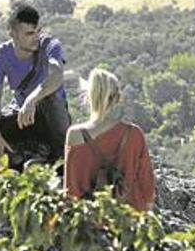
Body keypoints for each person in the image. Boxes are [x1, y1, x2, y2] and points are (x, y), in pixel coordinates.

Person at [0, 3, 71, 168]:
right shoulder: (0, 55)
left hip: (49, 116)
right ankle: (14, 159)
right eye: (29, 33)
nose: (35, 37)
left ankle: (61, 158)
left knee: (51, 98)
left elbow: (56, 75)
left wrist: (33, 99)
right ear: (13, 34)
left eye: (37, 32)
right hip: (21, 117)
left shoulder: (49, 45)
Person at [64, 68, 155, 211]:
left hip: (91, 222)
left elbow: (71, 190)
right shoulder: (134, 134)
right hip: (129, 219)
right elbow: (147, 187)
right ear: (118, 98)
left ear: (89, 97)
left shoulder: (75, 135)